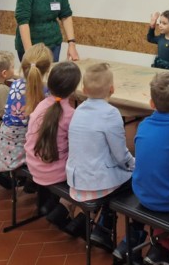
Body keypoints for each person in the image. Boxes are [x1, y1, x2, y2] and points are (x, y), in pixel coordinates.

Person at [66, 62, 142, 255]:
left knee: (115, 177)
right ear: (112, 89)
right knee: (136, 179)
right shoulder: (111, 113)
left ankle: (103, 225)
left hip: (76, 180)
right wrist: (135, 166)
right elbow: (121, 155)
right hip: (96, 183)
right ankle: (117, 230)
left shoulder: (78, 110)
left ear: (84, 90)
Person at [132, 72, 169, 265]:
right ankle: (163, 247)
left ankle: (150, 243)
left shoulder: (143, 125)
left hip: (143, 195)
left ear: (151, 103)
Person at [25, 61, 81, 230]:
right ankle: (63, 206)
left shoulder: (41, 105)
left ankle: (52, 204)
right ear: (74, 89)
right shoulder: (71, 114)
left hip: (33, 166)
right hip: (55, 173)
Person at [0, 43, 52, 173]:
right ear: (48, 69)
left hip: (4, 145)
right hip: (25, 147)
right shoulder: (47, 92)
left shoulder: (15, 84)